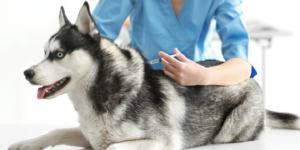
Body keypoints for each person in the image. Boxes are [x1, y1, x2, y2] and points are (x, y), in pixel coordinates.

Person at [92, 0, 257, 86]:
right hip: (145, 86)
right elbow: (92, 41)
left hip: (202, 90)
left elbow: (243, 67)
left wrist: (204, 76)